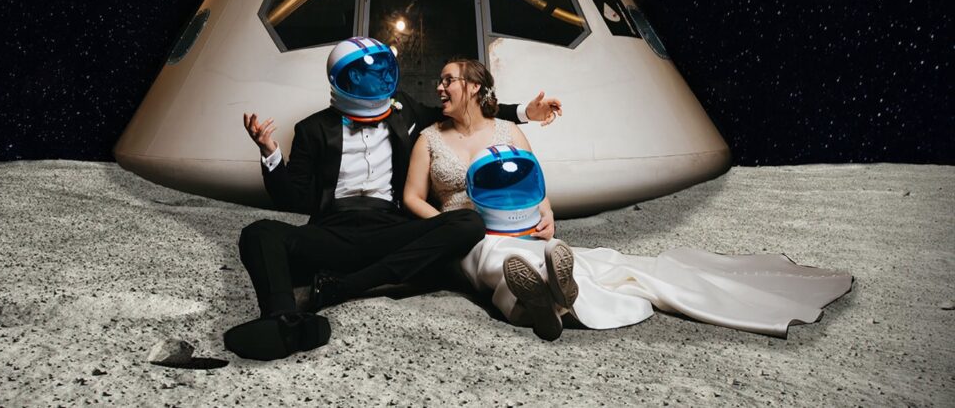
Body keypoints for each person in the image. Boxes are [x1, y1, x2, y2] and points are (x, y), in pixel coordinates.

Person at [403, 58, 854, 340]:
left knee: (549, 253)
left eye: (448, 80)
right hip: (462, 233)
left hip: (517, 225)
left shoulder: (509, 131)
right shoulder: (429, 138)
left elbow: (535, 182)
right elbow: (412, 198)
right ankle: (545, 294)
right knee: (485, 253)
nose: (439, 88)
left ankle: (541, 298)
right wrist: (449, 227)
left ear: (476, 88)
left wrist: (547, 216)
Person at [224, 37, 563, 360]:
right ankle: (284, 321)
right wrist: (270, 155)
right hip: (332, 231)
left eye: (387, 70)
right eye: (374, 72)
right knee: (258, 232)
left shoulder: (405, 110)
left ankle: (341, 287)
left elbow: (470, 110)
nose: (385, 76)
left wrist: (523, 112)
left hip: (390, 229)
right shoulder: (311, 129)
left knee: (468, 221)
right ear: (348, 77)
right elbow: (292, 199)